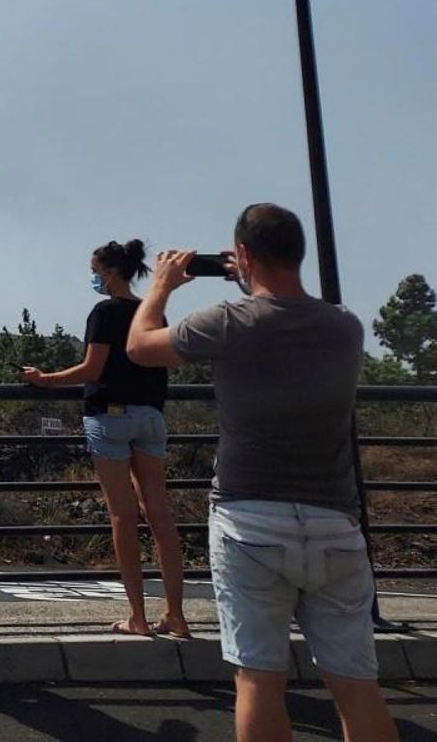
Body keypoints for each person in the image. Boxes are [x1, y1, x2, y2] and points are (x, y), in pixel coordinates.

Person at [126, 204, 396, 741]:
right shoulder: (345, 327)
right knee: (356, 686)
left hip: (250, 521)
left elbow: (140, 347)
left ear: (243, 255)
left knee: (258, 680)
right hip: (336, 525)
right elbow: (286, 316)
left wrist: (160, 286)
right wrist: (251, 277)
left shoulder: (227, 322)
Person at [20, 239, 190, 639]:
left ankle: (138, 617)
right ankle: (176, 616)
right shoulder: (152, 312)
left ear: (111, 272)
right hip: (151, 415)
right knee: (160, 515)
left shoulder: (105, 312)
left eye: (95, 270)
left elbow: (92, 368)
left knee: (122, 516)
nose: (93, 277)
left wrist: (45, 380)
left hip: (110, 416)